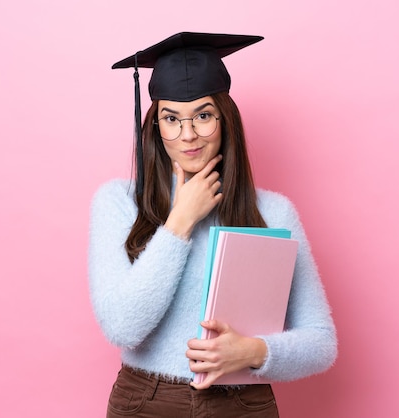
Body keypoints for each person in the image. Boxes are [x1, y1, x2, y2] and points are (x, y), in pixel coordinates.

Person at [89, 32, 337, 418]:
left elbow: (321, 343)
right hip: (147, 403)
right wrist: (180, 222)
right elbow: (122, 328)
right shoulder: (119, 203)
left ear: (225, 120)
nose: (188, 135)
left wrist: (254, 351)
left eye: (203, 116)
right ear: (156, 126)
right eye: (171, 119)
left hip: (242, 403)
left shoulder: (273, 212)